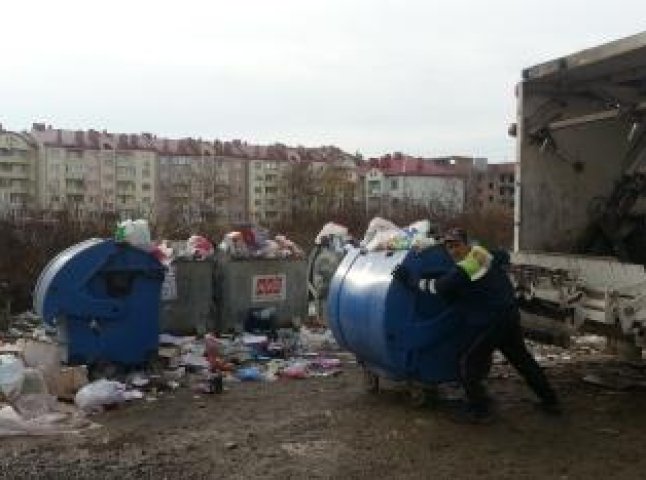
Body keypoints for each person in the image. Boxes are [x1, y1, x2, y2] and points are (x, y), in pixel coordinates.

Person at [392, 227, 560, 423]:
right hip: (509, 315)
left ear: (466, 244)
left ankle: (480, 411)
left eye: (456, 246)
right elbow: (503, 256)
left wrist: (410, 280)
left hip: (493, 322)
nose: (453, 251)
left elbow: (437, 288)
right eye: (449, 247)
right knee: (522, 360)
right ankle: (550, 400)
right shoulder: (482, 254)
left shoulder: (465, 268)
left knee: (468, 363)